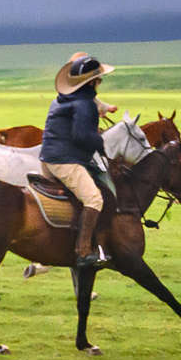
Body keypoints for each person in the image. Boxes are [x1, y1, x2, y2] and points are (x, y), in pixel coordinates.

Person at [40, 52, 116, 270]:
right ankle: (83, 251)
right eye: (99, 79)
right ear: (92, 82)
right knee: (94, 199)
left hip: (49, 158)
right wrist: (101, 141)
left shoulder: (63, 98)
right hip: (64, 161)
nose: (100, 83)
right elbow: (82, 136)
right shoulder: (84, 103)